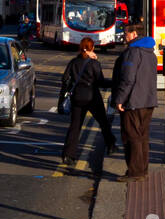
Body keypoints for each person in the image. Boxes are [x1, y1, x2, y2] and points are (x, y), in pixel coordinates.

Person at [58, 36, 116, 168]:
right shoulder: (94, 64)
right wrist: (114, 83)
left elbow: (65, 79)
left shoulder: (73, 62)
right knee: (103, 122)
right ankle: (111, 144)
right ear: (92, 48)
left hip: (77, 98)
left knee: (75, 126)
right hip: (92, 97)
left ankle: (68, 155)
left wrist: (62, 98)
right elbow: (100, 82)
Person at [112, 23, 157, 181]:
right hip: (148, 100)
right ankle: (142, 169)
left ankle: (135, 172)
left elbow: (128, 78)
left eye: (126, 33)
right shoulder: (150, 52)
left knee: (131, 136)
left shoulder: (132, 52)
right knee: (142, 136)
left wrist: (119, 99)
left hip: (133, 101)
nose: (125, 36)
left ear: (134, 34)